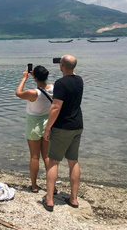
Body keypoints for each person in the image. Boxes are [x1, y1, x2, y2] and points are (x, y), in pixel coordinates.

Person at [42, 55, 83, 212]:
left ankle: (50, 199)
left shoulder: (60, 83)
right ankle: (73, 199)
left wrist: (47, 129)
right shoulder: (79, 80)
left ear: (61, 66)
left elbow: (55, 107)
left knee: (53, 162)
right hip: (78, 124)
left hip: (62, 126)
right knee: (73, 161)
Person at [16, 65, 53, 193]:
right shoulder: (54, 88)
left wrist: (24, 78)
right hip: (48, 123)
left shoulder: (33, 93)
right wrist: (36, 77)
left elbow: (18, 93)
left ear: (35, 77)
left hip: (33, 124)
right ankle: (51, 187)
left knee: (34, 157)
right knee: (47, 156)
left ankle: (34, 186)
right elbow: (43, 85)